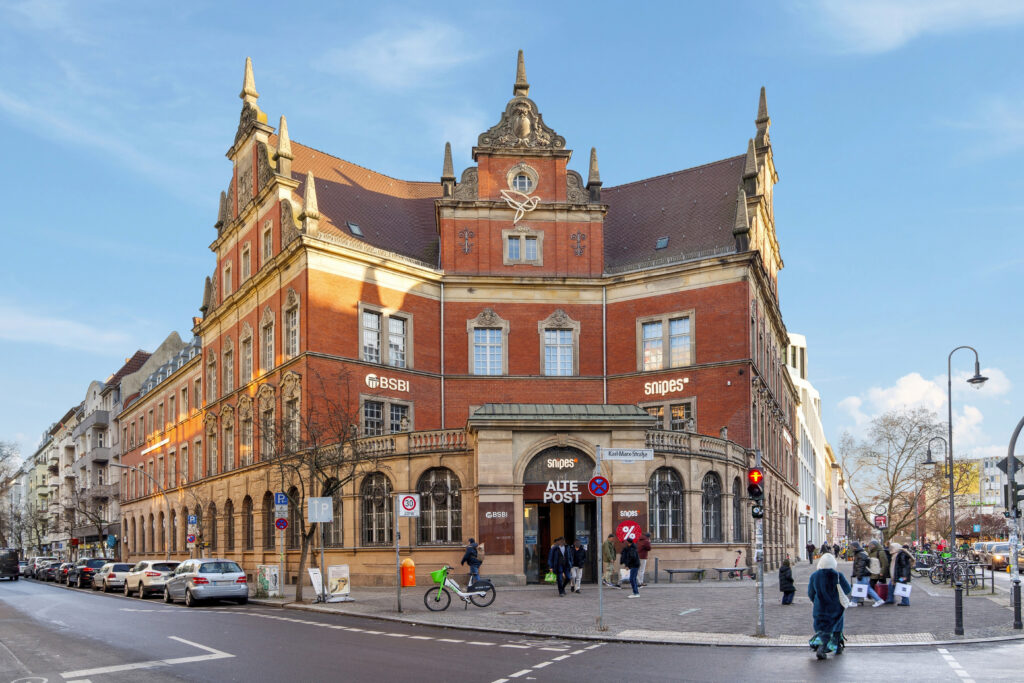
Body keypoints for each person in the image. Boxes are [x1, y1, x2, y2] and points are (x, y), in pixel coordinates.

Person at [808, 552, 852, 659]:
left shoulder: (814, 576)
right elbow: (847, 589)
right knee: (836, 625)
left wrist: (816, 601)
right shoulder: (838, 575)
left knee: (822, 627)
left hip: (819, 607)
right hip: (835, 607)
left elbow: (810, 593)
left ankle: (825, 644)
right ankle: (828, 646)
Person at [849, 541, 884, 607]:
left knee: (863, 588)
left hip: (863, 574)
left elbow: (860, 566)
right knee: (864, 588)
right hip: (864, 574)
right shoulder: (861, 553)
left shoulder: (860, 554)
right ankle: (854, 601)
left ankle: (878, 600)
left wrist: (858, 575)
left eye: (852, 546)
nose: (851, 548)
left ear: (855, 547)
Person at [889, 542, 913, 606]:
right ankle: (893, 599)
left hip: (902, 575)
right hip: (902, 575)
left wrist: (904, 576)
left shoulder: (901, 554)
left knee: (901, 586)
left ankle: (905, 601)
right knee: (899, 585)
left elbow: (903, 566)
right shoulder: (900, 554)